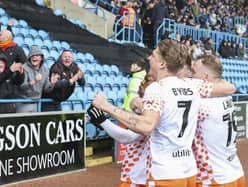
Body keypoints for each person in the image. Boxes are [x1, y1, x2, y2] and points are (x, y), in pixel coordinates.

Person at [91, 39, 236, 187]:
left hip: (165, 173)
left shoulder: (157, 89)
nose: (149, 58)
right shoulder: (192, 85)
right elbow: (228, 88)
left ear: (162, 64)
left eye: (153, 55)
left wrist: (106, 106)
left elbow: (146, 125)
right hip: (189, 170)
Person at [88, 73, 154, 187]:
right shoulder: (150, 106)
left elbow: (128, 137)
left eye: (147, 80)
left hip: (138, 177)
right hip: (140, 174)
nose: (142, 83)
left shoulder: (152, 108)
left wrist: (102, 120)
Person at [191, 55, 246, 187]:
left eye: (194, 71)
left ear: (205, 78)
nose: (191, 75)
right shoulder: (226, 98)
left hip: (213, 178)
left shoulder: (202, 105)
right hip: (235, 172)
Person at [16, 45, 56, 113]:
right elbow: (21, 87)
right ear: (29, 57)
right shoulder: (23, 68)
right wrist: (34, 81)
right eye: (32, 55)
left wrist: (52, 83)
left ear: (41, 58)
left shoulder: (45, 70)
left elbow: (46, 89)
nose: (34, 57)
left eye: (37, 55)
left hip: (37, 103)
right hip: (23, 103)